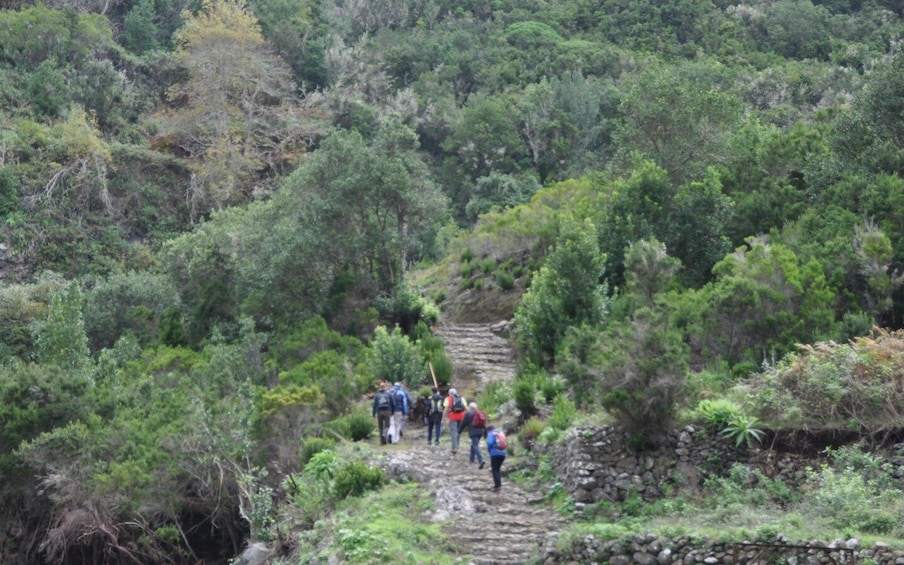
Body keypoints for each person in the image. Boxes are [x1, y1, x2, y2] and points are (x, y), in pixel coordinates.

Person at [459, 402, 485, 468]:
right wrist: (485, 433)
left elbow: (463, 424)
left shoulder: (468, 414)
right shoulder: (479, 413)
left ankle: (480, 460)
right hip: (480, 432)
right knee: (473, 445)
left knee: (475, 445)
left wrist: (459, 432)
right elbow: (484, 424)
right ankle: (471, 459)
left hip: (473, 432)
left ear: (469, 408)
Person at [443, 387, 467, 454]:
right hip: (461, 417)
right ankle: (457, 446)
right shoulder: (461, 398)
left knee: (453, 432)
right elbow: (465, 407)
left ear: (449, 393)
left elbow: (446, 409)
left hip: (452, 417)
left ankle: (454, 447)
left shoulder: (448, 399)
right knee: (458, 431)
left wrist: (443, 417)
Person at [486, 424, 507, 491]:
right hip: (503, 453)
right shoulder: (501, 433)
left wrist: (489, 450)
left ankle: (497, 486)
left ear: (489, 430)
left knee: (494, 469)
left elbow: (489, 443)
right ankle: (499, 484)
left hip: (495, 453)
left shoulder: (491, 434)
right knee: (497, 469)